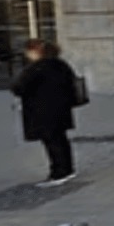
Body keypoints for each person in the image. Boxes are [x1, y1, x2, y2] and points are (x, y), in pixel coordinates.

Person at [10, 39, 79, 188]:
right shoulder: (61, 64)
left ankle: (59, 172)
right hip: (60, 109)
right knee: (60, 139)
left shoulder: (37, 68)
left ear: (36, 52)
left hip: (43, 111)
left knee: (51, 141)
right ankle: (67, 169)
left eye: (29, 51)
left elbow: (19, 87)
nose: (27, 54)